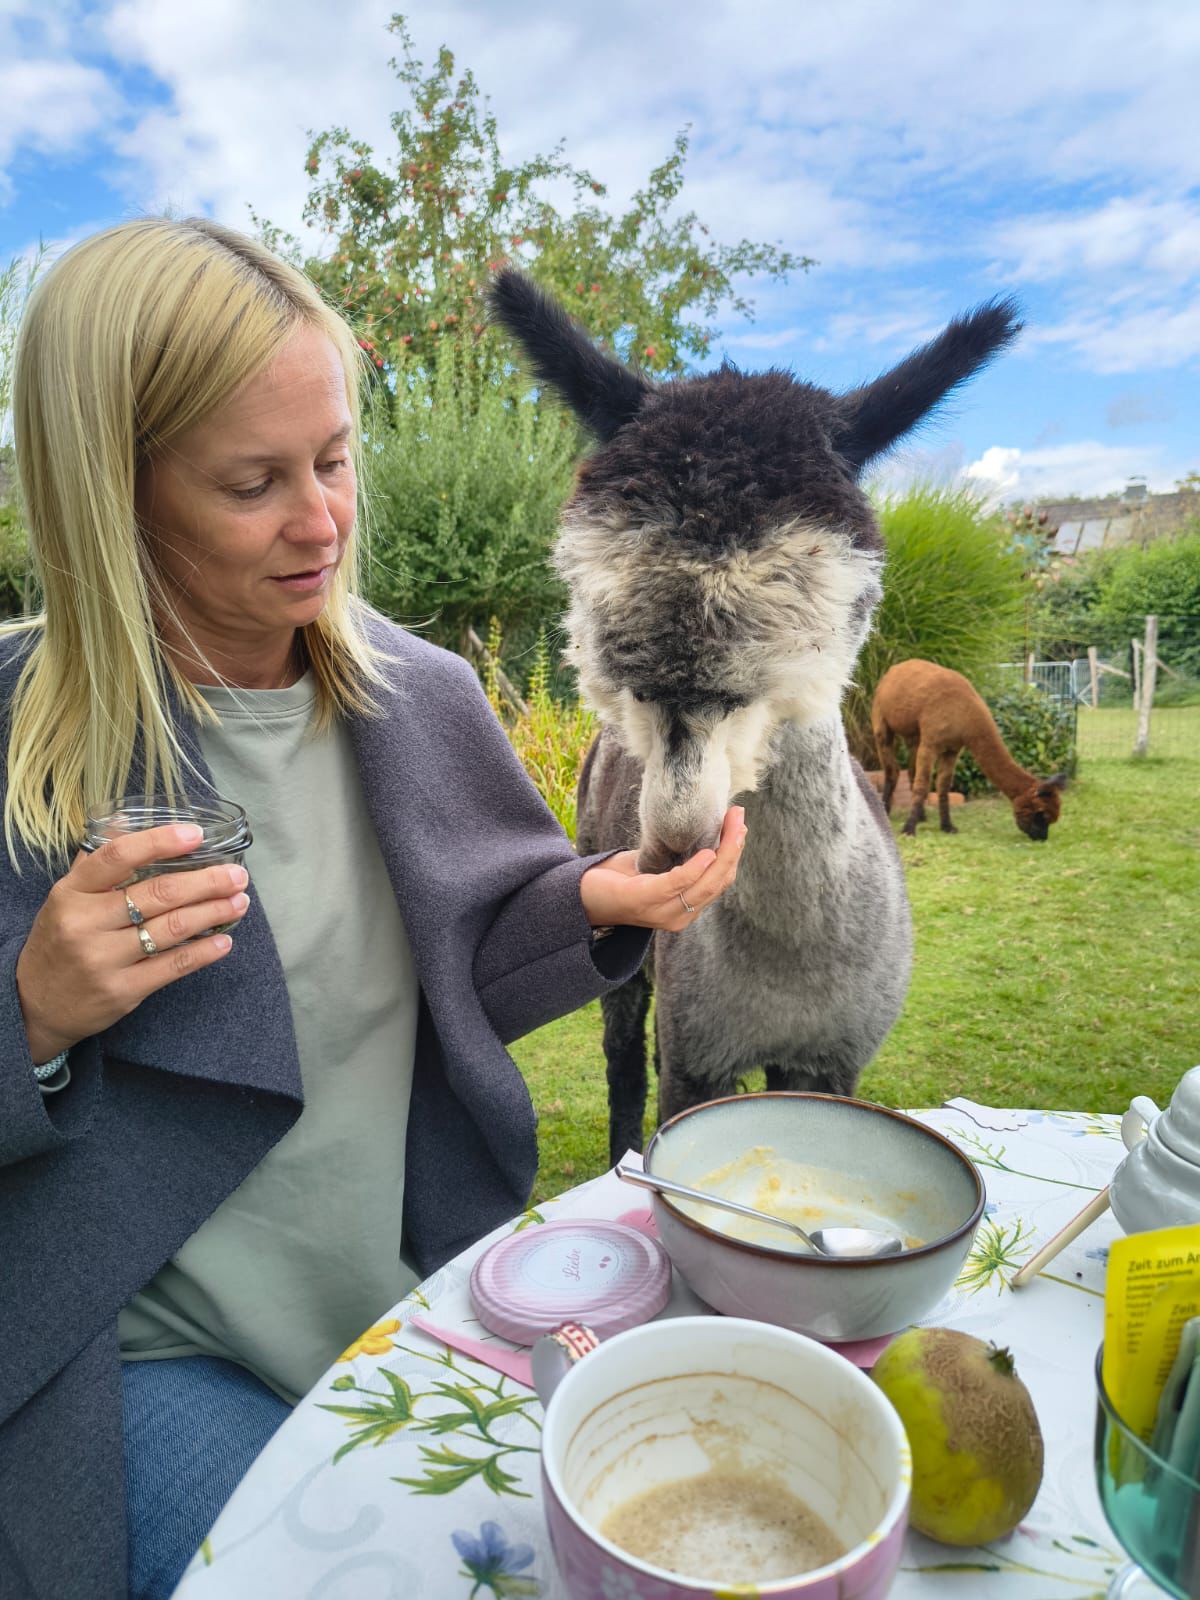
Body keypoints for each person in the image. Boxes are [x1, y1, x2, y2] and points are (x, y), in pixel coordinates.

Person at [0, 216, 747, 1600]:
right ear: (115, 492)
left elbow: (464, 936)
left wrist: (597, 897)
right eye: (252, 483)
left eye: (337, 458)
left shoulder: (421, 700)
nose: (325, 519)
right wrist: (30, 1013)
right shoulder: (14, 740)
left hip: (399, 1296)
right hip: (136, 1351)